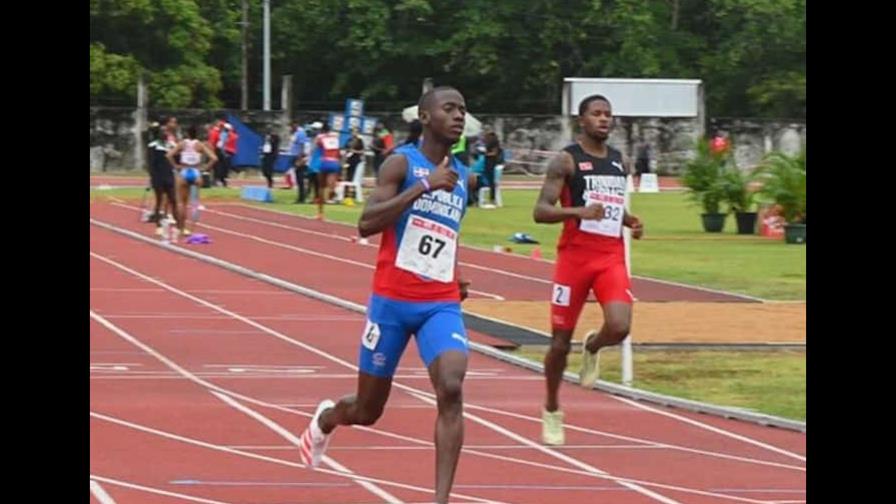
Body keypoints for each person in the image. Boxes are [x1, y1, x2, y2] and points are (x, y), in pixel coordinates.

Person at [299, 86, 475, 504]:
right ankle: (327, 418)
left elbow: (442, 234)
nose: (459, 116)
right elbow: (366, 223)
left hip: (440, 303)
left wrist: (456, 272)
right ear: (426, 117)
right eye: (449, 109)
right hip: (392, 305)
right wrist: (424, 187)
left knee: (451, 386)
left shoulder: (464, 176)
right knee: (367, 410)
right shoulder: (401, 162)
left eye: (463, 110)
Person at [532, 94, 644, 446]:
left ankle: (594, 346)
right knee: (559, 344)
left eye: (608, 114)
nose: (604, 120)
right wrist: (577, 212)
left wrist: (630, 221)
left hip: (610, 256)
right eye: (597, 114)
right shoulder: (566, 160)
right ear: (582, 120)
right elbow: (541, 211)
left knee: (620, 326)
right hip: (575, 260)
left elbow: (610, 207)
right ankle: (551, 407)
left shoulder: (618, 162)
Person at [166, 125, 217, 238]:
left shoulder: (182, 144)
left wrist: (176, 166)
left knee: (181, 203)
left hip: (184, 171)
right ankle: (191, 227)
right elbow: (214, 158)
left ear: (187, 134)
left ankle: (182, 228)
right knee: (193, 201)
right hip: (196, 172)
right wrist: (205, 168)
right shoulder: (200, 145)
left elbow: (169, 155)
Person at [145, 122, 178, 231]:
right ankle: (158, 224)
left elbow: (177, 157)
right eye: (163, 132)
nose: (165, 134)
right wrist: (152, 177)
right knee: (159, 199)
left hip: (169, 175)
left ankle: (178, 224)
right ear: (159, 134)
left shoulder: (171, 145)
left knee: (173, 199)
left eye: (166, 132)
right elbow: (150, 163)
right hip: (158, 176)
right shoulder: (153, 146)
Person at [313, 123, 342, 216]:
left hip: (324, 161)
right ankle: (332, 190)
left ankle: (320, 212)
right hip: (335, 162)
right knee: (331, 181)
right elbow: (339, 151)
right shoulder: (336, 137)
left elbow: (315, 146)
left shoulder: (320, 137)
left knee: (321, 187)